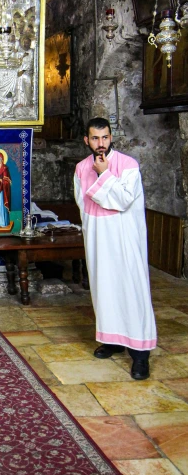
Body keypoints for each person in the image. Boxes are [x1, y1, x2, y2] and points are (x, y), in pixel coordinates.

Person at [74, 117, 157, 380]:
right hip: (98, 235)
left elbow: (122, 200)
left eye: (105, 137)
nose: (101, 144)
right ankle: (113, 340)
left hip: (124, 236)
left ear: (111, 138)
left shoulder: (128, 165)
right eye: (95, 138)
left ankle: (141, 353)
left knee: (132, 289)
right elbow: (83, 204)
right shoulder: (79, 168)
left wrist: (104, 174)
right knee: (104, 288)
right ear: (87, 140)